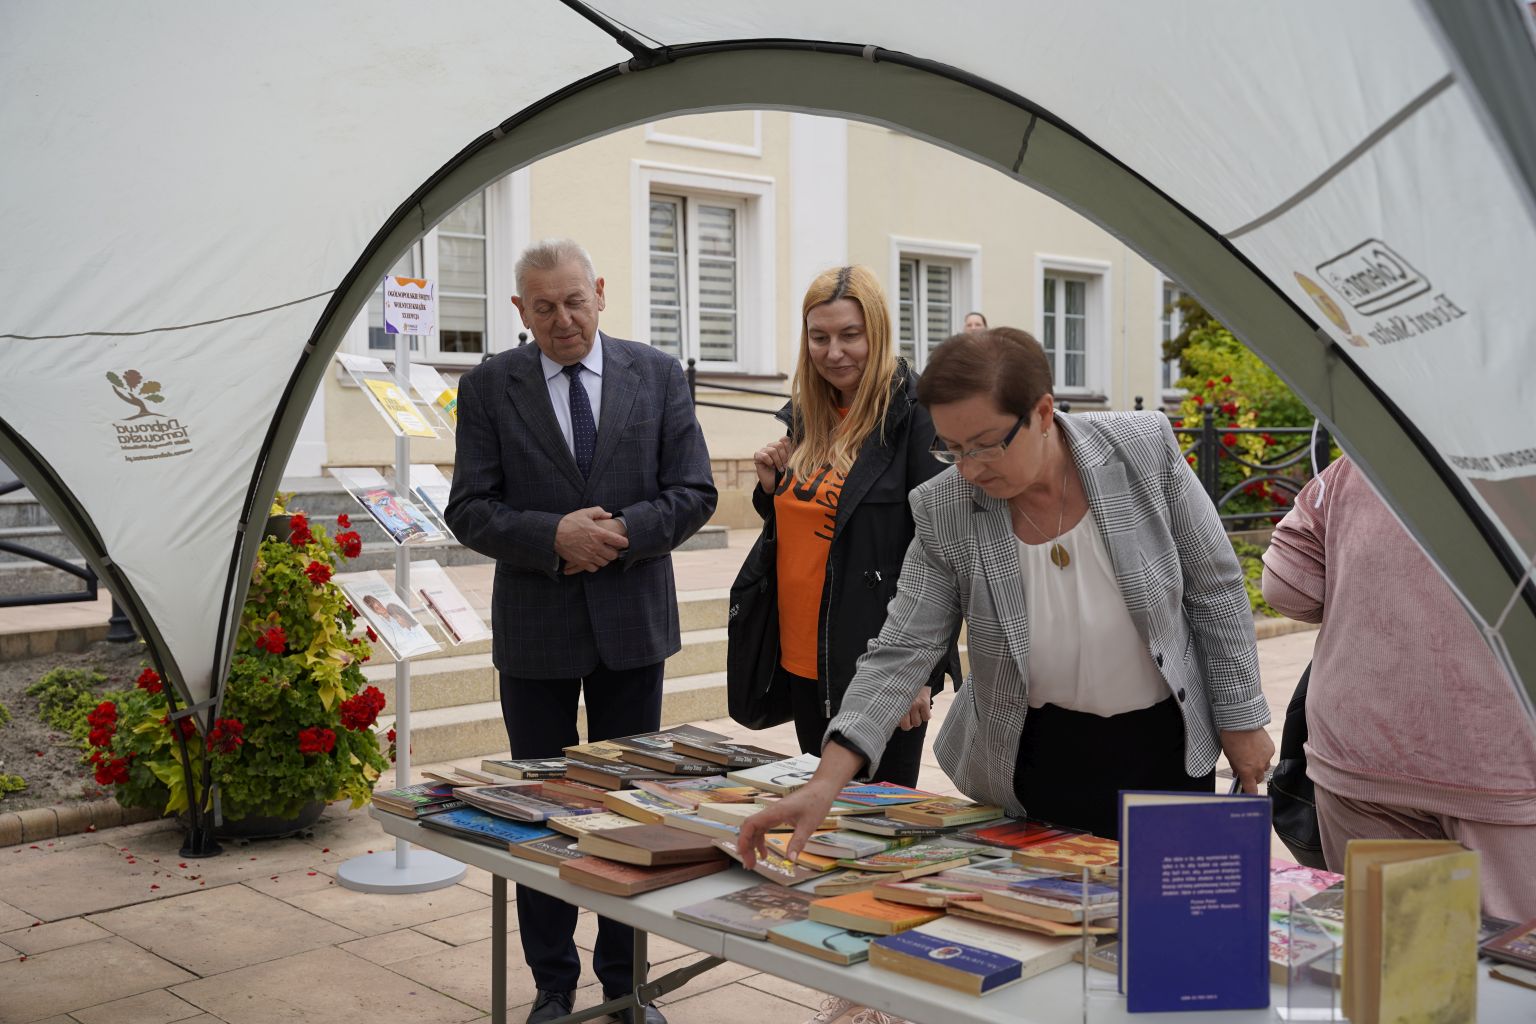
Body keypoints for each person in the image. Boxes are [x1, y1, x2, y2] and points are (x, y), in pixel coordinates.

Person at [740, 327, 1273, 868]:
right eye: (951, 449)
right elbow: (902, 647)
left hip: (1164, 742)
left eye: (986, 444)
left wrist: (1242, 720)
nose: (969, 468)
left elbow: (1215, 587)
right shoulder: (945, 506)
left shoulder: (1139, 448)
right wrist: (825, 782)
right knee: (1052, 926)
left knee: (1166, 924)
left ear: (1042, 413)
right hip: (1035, 752)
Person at [445, 238, 715, 1024]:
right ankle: (553, 987)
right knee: (541, 809)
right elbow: (470, 508)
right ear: (519, 311)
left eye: (574, 301)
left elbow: (693, 492)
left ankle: (625, 985)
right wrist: (552, 536)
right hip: (536, 633)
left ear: (600, 292)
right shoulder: (491, 386)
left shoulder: (657, 374)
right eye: (542, 308)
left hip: (632, 626)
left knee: (635, 812)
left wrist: (620, 532)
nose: (562, 320)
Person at [1261, 456, 1536, 920]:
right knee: (1511, 970)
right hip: (1502, 768)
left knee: (1395, 958)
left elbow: (1287, 589)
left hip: (1361, 753)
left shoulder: (1367, 457)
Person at [744, 265, 959, 791]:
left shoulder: (915, 417)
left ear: (877, 333)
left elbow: (944, 549)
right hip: (801, 655)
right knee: (824, 828)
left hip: (879, 662)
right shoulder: (808, 415)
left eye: (850, 335)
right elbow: (814, 522)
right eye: (820, 337)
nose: (834, 351)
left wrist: (920, 673)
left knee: (875, 835)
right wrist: (771, 491)